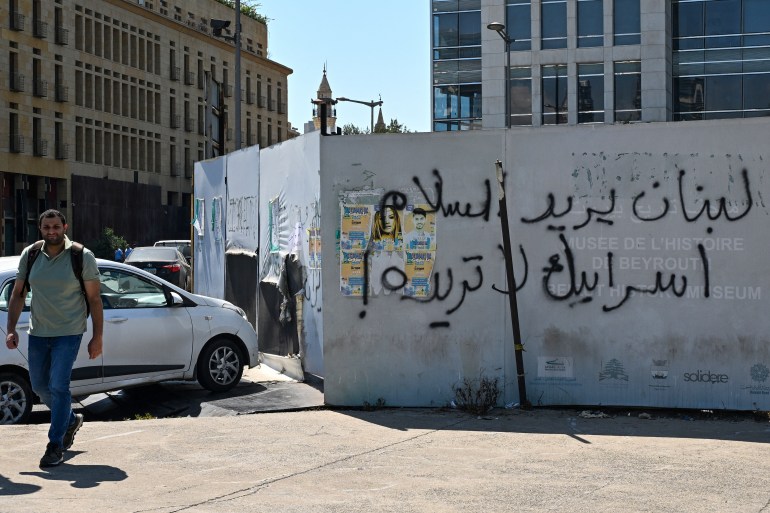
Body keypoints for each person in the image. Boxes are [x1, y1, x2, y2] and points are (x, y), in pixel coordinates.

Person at [5, 209, 103, 468]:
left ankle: (55, 445)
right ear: (41, 229)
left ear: (65, 226)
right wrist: (11, 328)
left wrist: (97, 337)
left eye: (56, 226)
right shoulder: (32, 254)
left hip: (69, 332)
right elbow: (18, 294)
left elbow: (94, 299)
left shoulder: (81, 256)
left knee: (59, 386)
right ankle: (70, 420)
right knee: (39, 387)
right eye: (47, 227)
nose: (52, 231)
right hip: (38, 332)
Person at [369, 205, 405, 296]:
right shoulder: (373, 243)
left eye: (391, 217)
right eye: (382, 218)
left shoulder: (403, 241)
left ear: (396, 219)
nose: (387, 222)